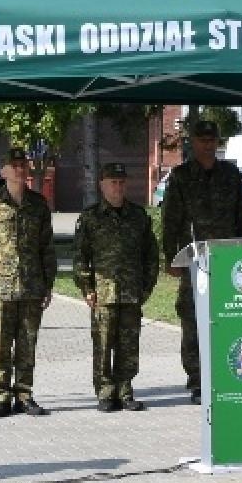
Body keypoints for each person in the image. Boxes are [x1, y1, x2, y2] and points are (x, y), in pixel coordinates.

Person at [160, 119, 242, 403]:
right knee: (193, 319)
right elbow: (170, 222)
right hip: (194, 261)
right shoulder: (181, 177)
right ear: (193, 142)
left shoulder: (231, 174)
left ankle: (227, 373)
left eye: (212, 140)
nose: (208, 144)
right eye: (202, 140)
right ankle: (198, 379)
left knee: (227, 318)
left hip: (227, 261)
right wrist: (171, 258)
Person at [0, 147, 57, 418]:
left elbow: (47, 248)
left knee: (27, 344)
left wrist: (48, 284)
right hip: (0, 287)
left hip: (32, 287)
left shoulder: (38, 204)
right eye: (15, 165)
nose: (21, 169)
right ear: (3, 171)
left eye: (24, 164)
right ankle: (1, 395)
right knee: (1, 345)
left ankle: (24, 394)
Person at [73, 162, 160, 412]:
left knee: (129, 345)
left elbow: (150, 255)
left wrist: (145, 288)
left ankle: (125, 389)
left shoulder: (138, 216)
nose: (118, 187)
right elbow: (80, 256)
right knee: (102, 344)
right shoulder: (90, 217)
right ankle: (104, 391)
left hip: (131, 293)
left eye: (121, 182)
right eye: (113, 182)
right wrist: (86, 287)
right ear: (102, 185)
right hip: (103, 293)